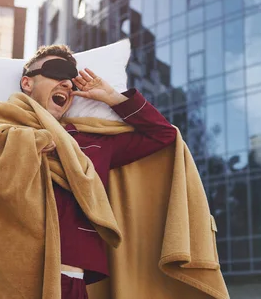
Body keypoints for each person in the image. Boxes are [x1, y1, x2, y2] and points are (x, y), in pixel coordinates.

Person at [19, 44, 177, 299]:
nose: (67, 84)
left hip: (67, 282)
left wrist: (112, 97)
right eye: (56, 72)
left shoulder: (92, 144)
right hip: (1, 276)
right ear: (27, 83)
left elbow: (164, 134)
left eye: (72, 80)